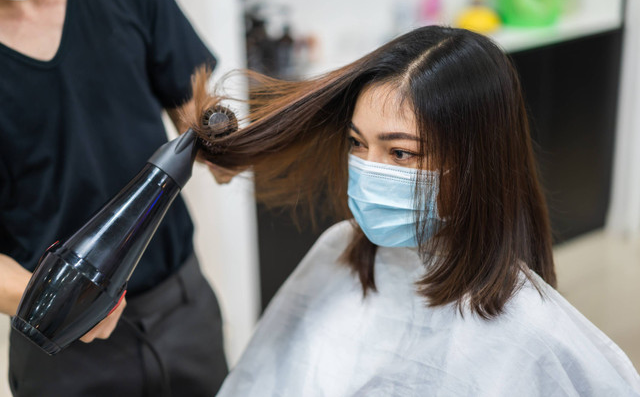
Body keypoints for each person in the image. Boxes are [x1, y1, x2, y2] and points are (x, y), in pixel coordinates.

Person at [183, 26, 640, 395]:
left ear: (476, 164)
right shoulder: (338, 250)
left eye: (400, 153)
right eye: (357, 144)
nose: (367, 171)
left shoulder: (535, 337)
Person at [0, 0, 228, 395]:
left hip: (182, 308)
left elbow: (199, 115)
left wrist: (232, 142)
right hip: (60, 343)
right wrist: (52, 305)